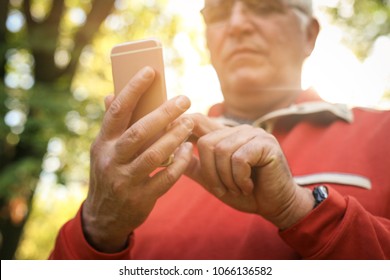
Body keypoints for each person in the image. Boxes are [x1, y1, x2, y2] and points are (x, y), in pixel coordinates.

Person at [49, 0, 390, 259]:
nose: (238, 24)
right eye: (220, 13)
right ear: (207, 40)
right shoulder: (138, 165)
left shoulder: (383, 133)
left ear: (310, 35)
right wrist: (96, 228)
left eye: (263, 7)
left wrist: (299, 209)